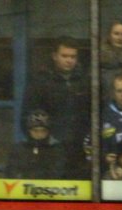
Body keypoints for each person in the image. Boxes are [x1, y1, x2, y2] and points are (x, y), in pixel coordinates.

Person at [22, 36, 91, 178]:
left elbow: (93, 113)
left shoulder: (85, 81)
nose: (69, 60)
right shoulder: (41, 81)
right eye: (64, 56)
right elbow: (28, 115)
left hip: (80, 149)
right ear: (54, 56)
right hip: (49, 149)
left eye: (73, 56)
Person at [5, 109, 67, 179]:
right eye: (35, 131)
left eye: (43, 131)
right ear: (29, 131)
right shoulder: (19, 149)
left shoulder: (56, 149)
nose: (39, 134)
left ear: (48, 132)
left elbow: (58, 172)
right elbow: (11, 171)